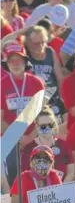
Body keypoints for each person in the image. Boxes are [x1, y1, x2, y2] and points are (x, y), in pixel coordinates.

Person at [1, 41, 45, 185]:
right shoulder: (2, 85)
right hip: (9, 139)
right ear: (6, 63)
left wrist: (30, 136)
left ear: (25, 61)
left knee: (38, 176)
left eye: (18, 59)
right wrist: (18, 137)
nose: (15, 63)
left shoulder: (37, 83)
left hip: (34, 136)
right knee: (13, 182)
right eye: (11, 60)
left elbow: (43, 115)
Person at [21, 105, 74, 182]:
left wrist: (61, 188)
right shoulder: (29, 149)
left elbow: (71, 172)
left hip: (63, 190)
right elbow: (26, 176)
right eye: (43, 126)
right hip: (40, 192)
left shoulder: (64, 145)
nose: (47, 128)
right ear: (36, 126)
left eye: (50, 125)